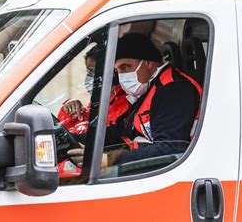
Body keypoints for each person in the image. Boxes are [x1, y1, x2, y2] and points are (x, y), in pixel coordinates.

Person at [68, 33, 202, 168]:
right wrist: (72, 139)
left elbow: (170, 149)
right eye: (117, 70)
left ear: (148, 63)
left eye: (125, 67)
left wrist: (108, 159)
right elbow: (120, 131)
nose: (121, 75)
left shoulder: (174, 90)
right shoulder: (148, 89)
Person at [57, 45, 131, 177]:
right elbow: (90, 122)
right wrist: (70, 107)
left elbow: (108, 135)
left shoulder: (123, 102)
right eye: (88, 72)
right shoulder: (102, 97)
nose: (89, 77)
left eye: (92, 71)